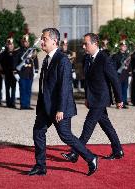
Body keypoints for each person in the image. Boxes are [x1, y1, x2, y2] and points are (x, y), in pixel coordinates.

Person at [28, 28, 98, 176]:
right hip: (46, 106)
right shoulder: (47, 58)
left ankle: (91, 157)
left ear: (54, 41)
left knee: (65, 135)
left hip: (60, 107)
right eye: (42, 38)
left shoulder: (63, 60)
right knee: (38, 132)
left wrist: (60, 109)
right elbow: (44, 86)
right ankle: (40, 166)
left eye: (44, 39)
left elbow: (65, 86)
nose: (42, 41)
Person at [61, 33, 124, 163]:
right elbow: (88, 81)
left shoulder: (104, 59)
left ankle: (75, 153)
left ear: (95, 44)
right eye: (83, 44)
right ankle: (118, 150)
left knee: (88, 126)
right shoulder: (87, 58)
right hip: (93, 98)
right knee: (106, 125)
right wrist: (87, 97)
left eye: (86, 43)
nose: (84, 46)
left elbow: (115, 80)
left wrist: (119, 99)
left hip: (101, 99)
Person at [14, 28, 39, 110]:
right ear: (22, 42)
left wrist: (36, 71)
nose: (26, 43)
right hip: (22, 73)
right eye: (24, 42)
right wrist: (15, 73)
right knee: (23, 89)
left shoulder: (32, 51)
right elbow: (15, 63)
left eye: (27, 42)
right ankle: (23, 105)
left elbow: (35, 61)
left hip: (29, 74)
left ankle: (27, 105)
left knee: (28, 90)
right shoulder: (18, 51)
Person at [112, 34, 131, 108]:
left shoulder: (127, 56)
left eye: (125, 46)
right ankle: (119, 103)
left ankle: (124, 102)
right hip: (118, 75)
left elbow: (130, 66)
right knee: (118, 90)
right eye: (123, 46)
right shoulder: (116, 56)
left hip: (125, 75)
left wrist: (129, 74)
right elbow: (113, 66)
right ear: (120, 46)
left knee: (124, 90)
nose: (125, 47)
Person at [0, 33, 17, 108]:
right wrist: (3, 72)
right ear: (7, 45)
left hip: (14, 74)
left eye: (12, 44)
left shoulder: (16, 53)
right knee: (7, 89)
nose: (11, 46)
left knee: (13, 89)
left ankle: (12, 103)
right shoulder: (3, 54)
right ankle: (8, 102)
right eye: (9, 44)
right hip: (7, 73)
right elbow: (1, 64)